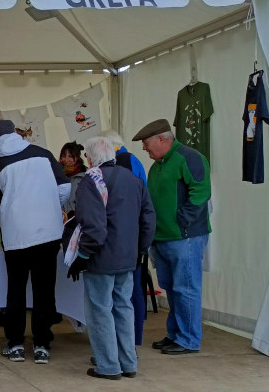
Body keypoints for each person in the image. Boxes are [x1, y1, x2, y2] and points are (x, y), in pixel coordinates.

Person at [0, 120, 70, 364]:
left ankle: (16, 344)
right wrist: (47, 205)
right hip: (48, 233)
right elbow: (64, 188)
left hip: (17, 236)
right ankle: (42, 344)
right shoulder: (43, 154)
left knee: (16, 290)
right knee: (44, 290)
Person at [67, 136, 156, 379]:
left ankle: (108, 365)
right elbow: (148, 220)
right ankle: (128, 362)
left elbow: (94, 228)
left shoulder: (91, 181)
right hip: (128, 257)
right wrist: (140, 249)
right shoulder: (135, 180)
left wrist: (82, 255)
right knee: (123, 309)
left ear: (91, 158)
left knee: (100, 311)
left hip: (101, 257)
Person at [132, 119, 211, 355]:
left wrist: (181, 221)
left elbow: (201, 191)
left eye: (146, 143)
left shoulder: (189, 157)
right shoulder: (157, 165)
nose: (144, 149)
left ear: (161, 139)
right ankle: (175, 333)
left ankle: (188, 339)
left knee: (185, 288)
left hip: (184, 238)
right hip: (164, 238)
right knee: (171, 287)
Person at [100, 129, 150, 347]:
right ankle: (132, 340)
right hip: (135, 234)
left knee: (127, 294)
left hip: (125, 236)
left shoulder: (123, 162)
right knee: (130, 291)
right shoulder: (132, 159)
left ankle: (130, 340)